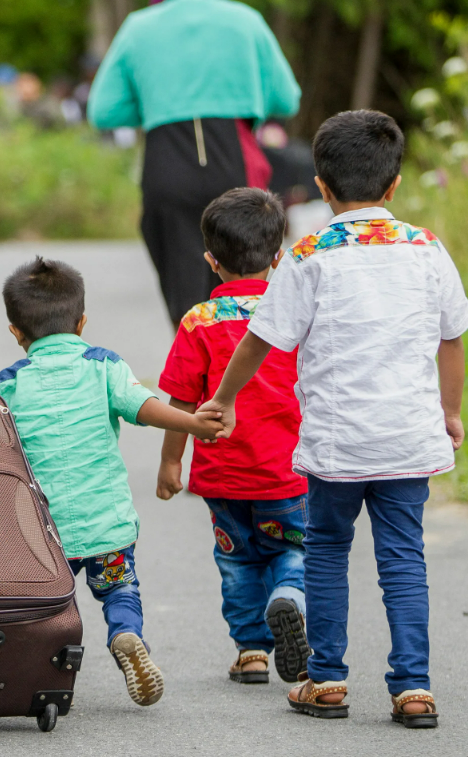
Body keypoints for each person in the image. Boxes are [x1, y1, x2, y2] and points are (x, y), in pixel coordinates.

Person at [198, 110, 468, 729]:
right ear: (394, 184)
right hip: (407, 439)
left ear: (320, 186)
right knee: (403, 559)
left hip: (337, 444)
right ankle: (414, 689)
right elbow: (452, 338)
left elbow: (261, 339)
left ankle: (325, 681)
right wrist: (449, 412)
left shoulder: (309, 254)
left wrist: (227, 397)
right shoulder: (426, 248)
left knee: (325, 553)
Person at [0, 257, 224, 707]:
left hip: (43, 532)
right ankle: (125, 634)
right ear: (81, 322)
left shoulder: (7, 385)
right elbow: (144, 408)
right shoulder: (103, 366)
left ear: (16, 332)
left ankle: (47, 671)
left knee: (49, 606)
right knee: (119, 589)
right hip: (105, 525)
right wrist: (193, 423)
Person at [155, 187, 310, 686]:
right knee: (294, 549)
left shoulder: (199, 321)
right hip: (289, 472)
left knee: (237, 559)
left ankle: (251, 652)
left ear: (211, 260)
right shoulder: (294, 317)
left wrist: (171, 463)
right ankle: (289, 596)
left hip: (222, 475)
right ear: (278, 257)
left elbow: (181, 402)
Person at [87, 0, 301, 328]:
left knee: (184, 296)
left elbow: (103, 111)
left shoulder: (139, 26)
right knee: (243, 288)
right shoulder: (245, 20)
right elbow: (287, 98)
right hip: (233, 155)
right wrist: (245, 99)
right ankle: (241, 358)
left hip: (166, 159)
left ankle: (191, 355)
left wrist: (157, 105)